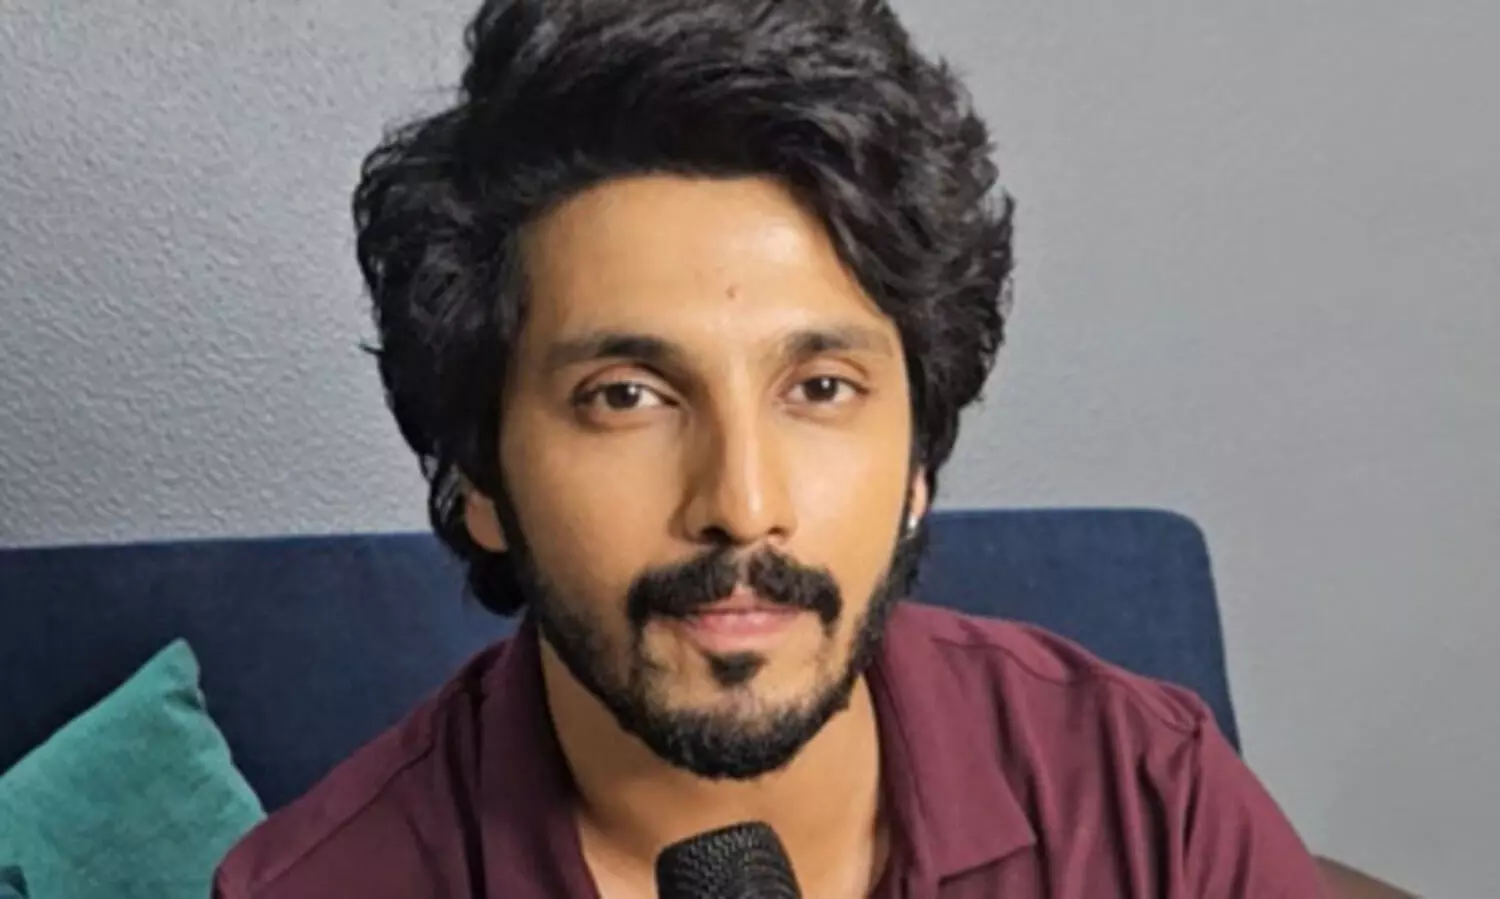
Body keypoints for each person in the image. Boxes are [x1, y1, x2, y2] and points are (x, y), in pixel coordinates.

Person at [213, 0, 1330, 896]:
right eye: (627, 396)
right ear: (481, 476)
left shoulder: (1152, 804)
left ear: (918, 466)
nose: (743, 504)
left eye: (821, 388)